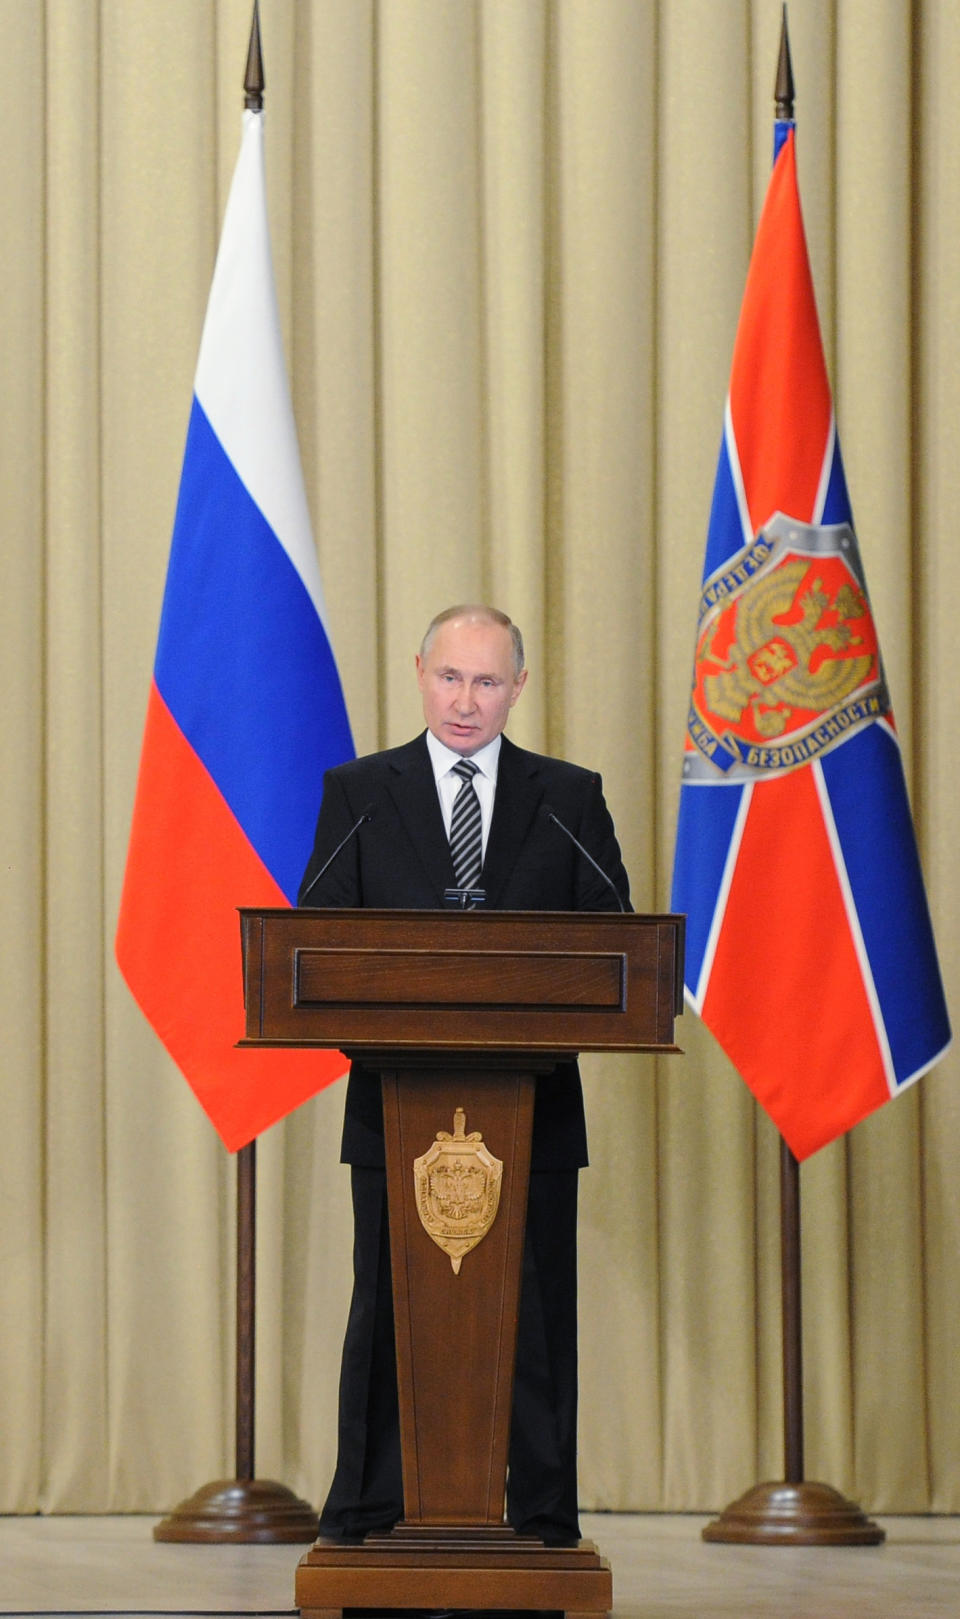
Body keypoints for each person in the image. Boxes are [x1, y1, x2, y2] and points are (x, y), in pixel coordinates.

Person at [299, 604, 630, 1546]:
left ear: (518, 688)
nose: (466, 700)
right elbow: (317, 941)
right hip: (395, 1108)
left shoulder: (567, 797)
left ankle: (542, 1526)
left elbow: (616, 940)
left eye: (487, 681)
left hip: (534, 1114)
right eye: (450, 677)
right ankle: (364, 1518)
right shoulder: (360, 791)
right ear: (419, 673)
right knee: (389, 1316)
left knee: (534, 1322)